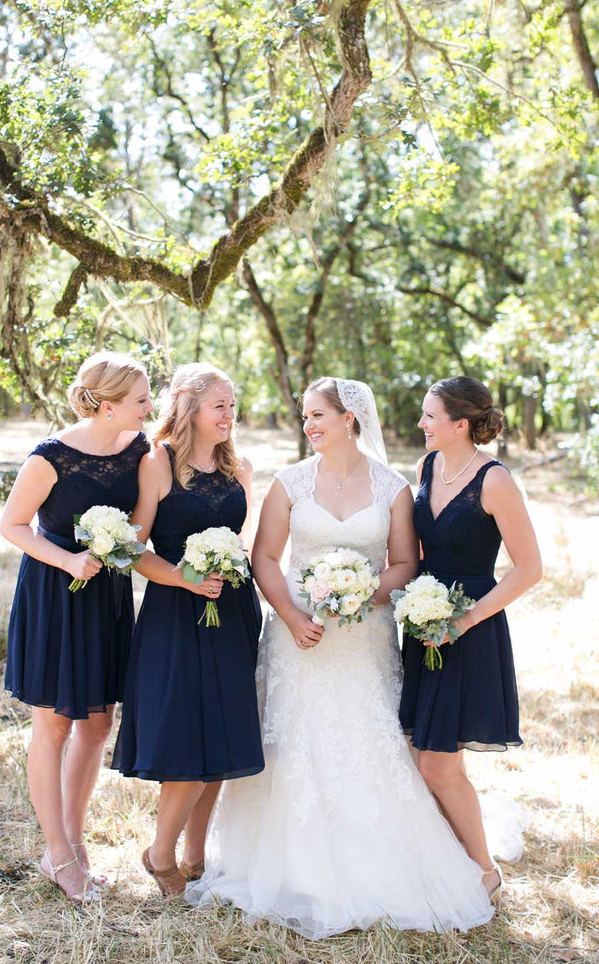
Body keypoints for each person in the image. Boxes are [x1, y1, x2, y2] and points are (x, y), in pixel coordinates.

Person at [187, 377, 494, 938]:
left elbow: (403, 563)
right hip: (297, 636)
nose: (308, 426)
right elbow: (267, 559)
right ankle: (290, 866)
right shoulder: (290, 482)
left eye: (317, 416)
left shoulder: (394, 487)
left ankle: (384, 863)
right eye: (305, 417)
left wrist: (359, 594)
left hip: (365, 637)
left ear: (349, 416)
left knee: (367, 741)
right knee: (297, 743)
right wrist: (294, 614)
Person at [1, 351, 152, 903]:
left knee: (96, 724)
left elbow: (144, 519)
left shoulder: (139, 449)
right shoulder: (50, 456)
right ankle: (60, 854)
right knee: (55, 726)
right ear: (107, 405)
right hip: (55, 595)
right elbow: (12, 524)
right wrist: (67, 561)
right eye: (140, 400)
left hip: (107, 596)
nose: (149, 408)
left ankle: (72, 841)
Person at [111, 363, 264, 897]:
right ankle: (160, 854)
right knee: (187, 744)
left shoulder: (239, 467)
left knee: (220, 740)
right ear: (189, 408)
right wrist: (183, 578)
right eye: (219, 404)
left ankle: (197, 857)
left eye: (232, 404)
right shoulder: (158, 464)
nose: (229, 414)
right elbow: (130, 548)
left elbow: (249, 544)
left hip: (234, 612)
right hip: (177, 616)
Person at [399, 376, 542, 899]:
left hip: (470, 628)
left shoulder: (495, 481)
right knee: (423, 752)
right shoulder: (426, 467)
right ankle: (448, 863)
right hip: (421, 625)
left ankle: (483, 872)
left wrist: (465, 620)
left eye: (429, 416)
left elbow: (529, 569)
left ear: (460, 424)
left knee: (438, 761)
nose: (421, 425)